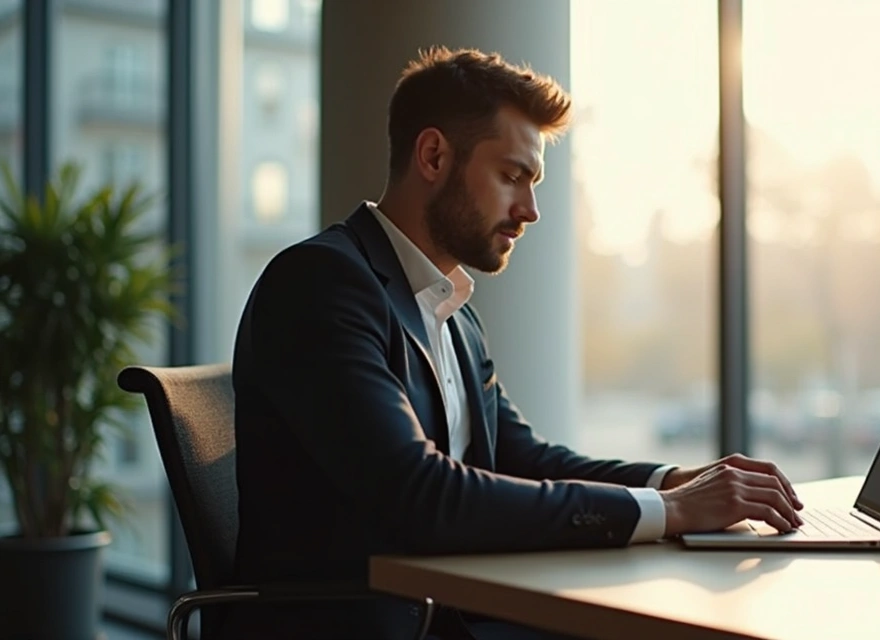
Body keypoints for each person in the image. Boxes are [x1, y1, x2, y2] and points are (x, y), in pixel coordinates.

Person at [226, 46, 803, 640]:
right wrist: (672, 513)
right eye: (511, 176)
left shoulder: (452, 312)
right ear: (433, 156)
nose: (530, 210)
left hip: (447, 617)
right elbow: (418, 493)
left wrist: (671, 482)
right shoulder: (322, 284)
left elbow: (524, 458)